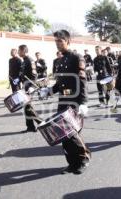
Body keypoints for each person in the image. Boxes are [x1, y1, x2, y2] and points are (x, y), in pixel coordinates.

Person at [39, 30, 91, 174]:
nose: (57, 44)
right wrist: (49, 90)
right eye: (56, 41)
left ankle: (83, 159)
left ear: (68, 41)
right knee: (63, 134)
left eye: (60, 41)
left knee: (72, 133)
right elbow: (60, 83)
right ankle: (72, 163)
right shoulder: (60, 60)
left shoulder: (77, 57)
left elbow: (82, 81)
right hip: (63, 100)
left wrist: (84, 102)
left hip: (74, 100)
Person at [18, 45, 40, 132]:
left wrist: (31, 86)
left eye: (19, 51)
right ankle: (30, 127)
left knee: (28, 107)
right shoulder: (24, 61)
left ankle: (41, 123)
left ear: (24, 51)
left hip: (30, 86)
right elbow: (23, 74)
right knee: (26, 107)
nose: (19, 52)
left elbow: (34, 75)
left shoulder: (30, 61)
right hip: (25, 86)